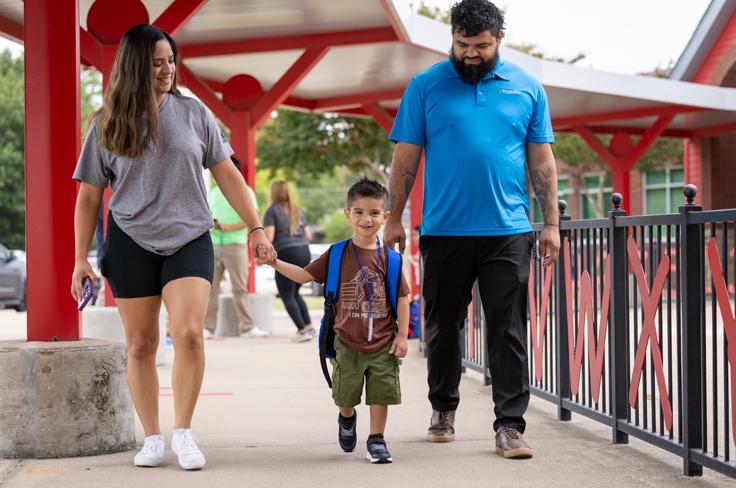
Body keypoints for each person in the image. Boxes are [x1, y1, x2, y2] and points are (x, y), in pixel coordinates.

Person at [70, 24, 276, 470]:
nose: (167, 71)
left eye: (170, 61)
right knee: (141, 343)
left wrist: (256, 226)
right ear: (133, 68)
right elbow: (88, 196)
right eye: (156, 63)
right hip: (129, 239)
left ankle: (183, 431)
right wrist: (78, 260)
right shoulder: (105, 122)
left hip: (188, 236)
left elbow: (227, 174)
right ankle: (151, 437)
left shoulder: (194, 113)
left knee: (187, 333)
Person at [383, 0, 560, 459]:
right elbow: (405, 159)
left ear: (499, 38)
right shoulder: (425, 86)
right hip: (444, 230)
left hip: (508, 229)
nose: (471, 54)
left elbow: (541, 160)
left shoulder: (527, 88)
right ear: (453, 39)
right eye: (462, 45)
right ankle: (443, 409)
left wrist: (551, 224)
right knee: (443, 325)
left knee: (508, 329)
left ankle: (509, 426)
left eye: (481, 45)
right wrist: (393, 219)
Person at [262, 178, 410, 463]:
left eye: (374, 213)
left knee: (381, 393)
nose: (367, 219)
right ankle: (347, 418)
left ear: (386, 217)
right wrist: (275, 263)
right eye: (359, 212)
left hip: (383, 342)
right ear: (347, 214)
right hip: (346, 342)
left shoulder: (390, 260)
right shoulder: (337, 253)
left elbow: (403, 297)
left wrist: (402, 335)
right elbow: (305, 275)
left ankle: (377, 440)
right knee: (345, 396)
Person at [204, 156, 269, 338]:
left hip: (237, 244)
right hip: (215, 244)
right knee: (211, 288)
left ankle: (247, 327)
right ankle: (208, 328)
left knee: (240, 288)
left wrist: (227, 227)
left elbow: (251, 218)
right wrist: (213, 223)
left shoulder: (246, 191)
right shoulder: (215, 192)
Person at [263, 181, 315, 342]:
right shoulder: (297, 211)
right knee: (295, 293)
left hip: (286, 252)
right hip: (304, 253)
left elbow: (269, 238)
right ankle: (309, 327)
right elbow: (309, 236)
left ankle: (302, 330)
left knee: (286, 294)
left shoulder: (271, 212)